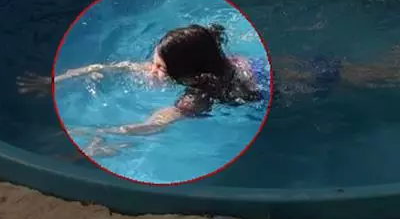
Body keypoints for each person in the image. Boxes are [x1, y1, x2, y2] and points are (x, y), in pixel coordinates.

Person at [18, 24, 268, 139]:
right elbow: (109, 68)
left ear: (188, 76)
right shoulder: (208, 59)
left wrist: (93, 133)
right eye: (154, 61)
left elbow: (153, 125)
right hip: (259, 67)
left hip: (266, 93)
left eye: (160, 68)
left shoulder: (198, 97)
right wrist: (55, 81)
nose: (151, 70)